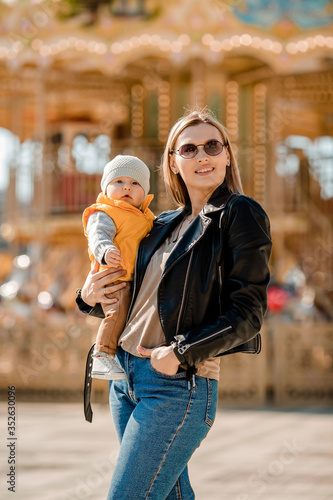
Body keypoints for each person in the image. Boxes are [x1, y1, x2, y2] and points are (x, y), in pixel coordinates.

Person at [76, 107, 272, 499]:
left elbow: (248, 313)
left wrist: (180, 352)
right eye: (190, 149)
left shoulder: (239, 213)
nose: (203, 156)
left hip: (177, 383)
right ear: (173, 161)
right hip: (125, 379)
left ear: (228, 155)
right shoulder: (158, 223)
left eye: (213, 146)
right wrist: (87, 298)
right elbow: (139, 298)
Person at [82, 155, 155, 386]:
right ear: (105, 187)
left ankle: (122, 353)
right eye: (119, 182)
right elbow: (98, 234)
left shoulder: (146, 217)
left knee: (126, 315)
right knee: (116, 313)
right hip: (116, 276)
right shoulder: (105, 211)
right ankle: (102, 355)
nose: (127, 187)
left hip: (134, 278)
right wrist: (105, 250)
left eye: (135, 183)